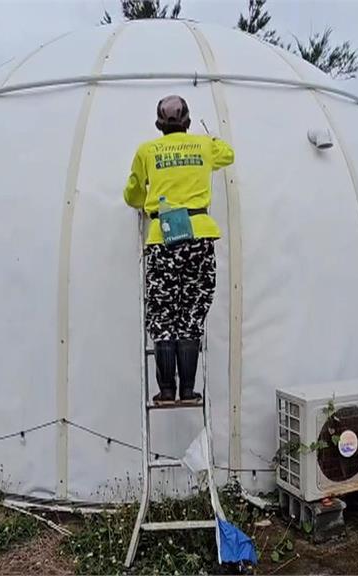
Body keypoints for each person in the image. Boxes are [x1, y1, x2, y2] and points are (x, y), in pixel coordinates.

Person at [123, 95, 235, 405]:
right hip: (199, 235)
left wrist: (143, 200)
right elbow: (228, 154)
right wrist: (209, 135)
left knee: (162, 313)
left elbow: (132, 193)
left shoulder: (147, 151)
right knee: (192, 311)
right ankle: (188, 389)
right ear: (187, 121)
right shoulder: (204, 146)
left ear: (159, 125)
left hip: (164, 236)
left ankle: (167, 391)